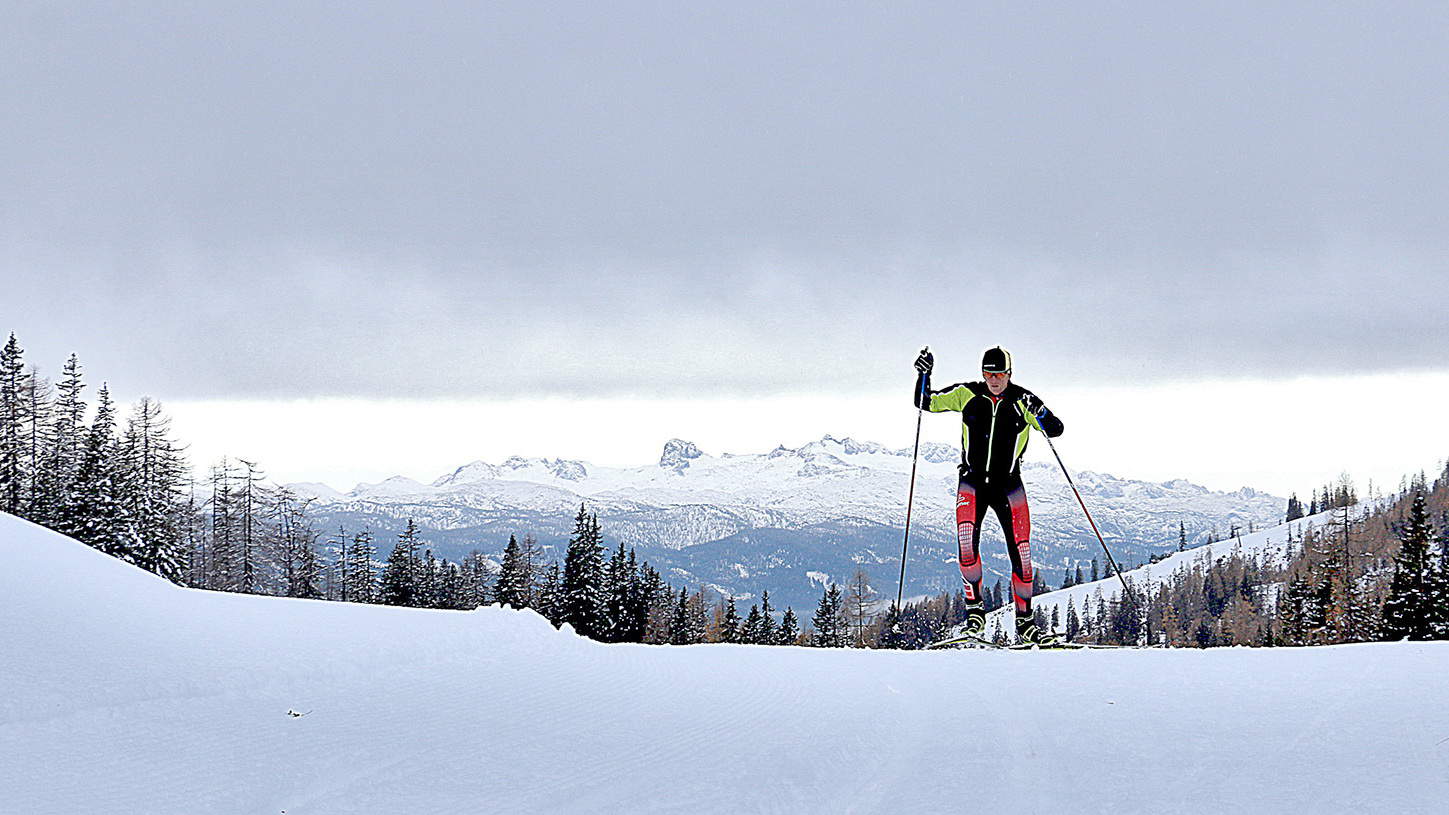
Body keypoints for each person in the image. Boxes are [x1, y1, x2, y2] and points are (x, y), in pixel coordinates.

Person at [913, 346, 1064, 646]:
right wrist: (924, 374)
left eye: (1000, 374)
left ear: (1009, 374)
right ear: (983, 374)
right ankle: (975, 615)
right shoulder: (967, 394)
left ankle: (1025, 623)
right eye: (989, 374)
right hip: (972, 482)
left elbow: (1055, 429)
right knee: (966, 543)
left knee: (1022, 553)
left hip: (1008, 486)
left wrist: (1041, 412)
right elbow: (924, 402)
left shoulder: (1023, 401)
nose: (994, 380)